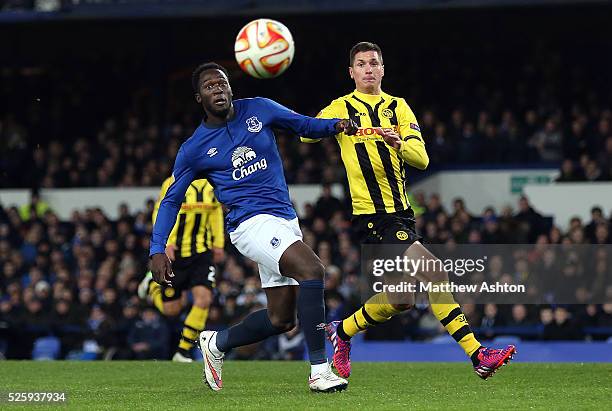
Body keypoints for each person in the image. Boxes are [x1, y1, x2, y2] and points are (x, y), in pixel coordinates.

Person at [302, 42, 516, 380]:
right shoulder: (340, 107)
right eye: (361, 63)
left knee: (401, 299)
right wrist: (335, 125)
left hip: (401, 213)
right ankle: (478, 353)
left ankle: (342, 331)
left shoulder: (398, 108)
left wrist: (399, 144)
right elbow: (306, 136)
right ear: (352, 72)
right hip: (371, 216)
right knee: (435, 271)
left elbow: (422, 159)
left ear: (383, 69)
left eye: (374, 62)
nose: (368, 68)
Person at [149, 62, 358, 392]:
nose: (217, 90)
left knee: (281, 319)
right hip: (249, 224)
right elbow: (172, 200)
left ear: (231, 88)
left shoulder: (260, 108)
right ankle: (319, 370)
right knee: (312, 271)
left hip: (284, 220)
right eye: (209, 87)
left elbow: (304, 125)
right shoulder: (194, 149)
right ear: (198, 98)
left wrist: (338, 125)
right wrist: (157, 249)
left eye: (222, 84)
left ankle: (217, 343)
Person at [138, 176, 224, 362]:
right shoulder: (172, 182)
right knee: (172, 309)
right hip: (175, 254)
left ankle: (182, 351)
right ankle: (152, 287)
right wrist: (165, 243)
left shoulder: (213, 183)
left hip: (201, 252)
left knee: (204, 299)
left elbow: (216, 212)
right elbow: (161, 211)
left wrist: (218, 242)